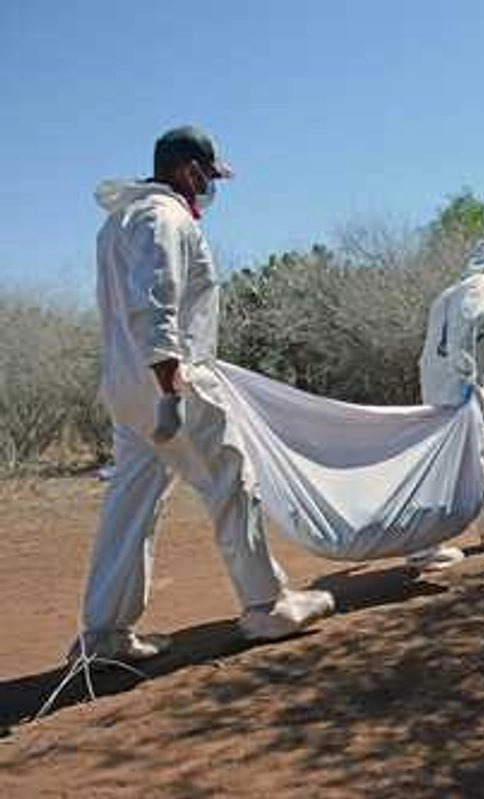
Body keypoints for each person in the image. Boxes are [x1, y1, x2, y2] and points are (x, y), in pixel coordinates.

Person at [77, 126, 334, 662]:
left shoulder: (119, 222)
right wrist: (171, 387)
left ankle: (103, 634)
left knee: (131, 505)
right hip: (171, 380)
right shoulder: (164, 217)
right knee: (230, 480)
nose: (209, 189)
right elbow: (156, 300)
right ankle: (266, 605)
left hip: (127, 386)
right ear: (189, 171)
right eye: (208, 177)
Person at [409, 239, 484, 570]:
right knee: (447, 462)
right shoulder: (482, 287)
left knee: (473, 456)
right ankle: (424, 545)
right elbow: (465, 327)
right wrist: (465, 379)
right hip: (459, 386)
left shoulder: (447, 294)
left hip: (436, 386)